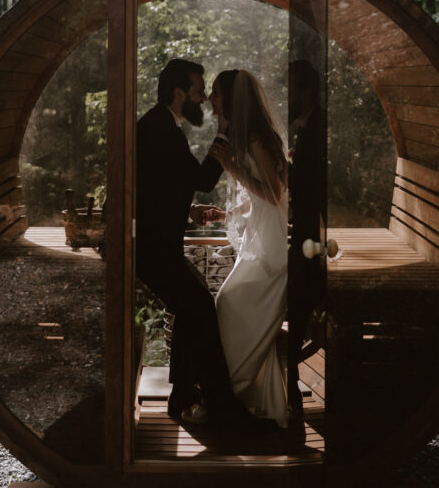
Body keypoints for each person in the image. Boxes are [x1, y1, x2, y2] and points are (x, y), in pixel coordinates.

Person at [135, 58, 264, 433]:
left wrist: (189, 211)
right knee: (201, 308)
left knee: (194, 307)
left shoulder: (161, 124)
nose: (204, 99)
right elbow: (203, 178)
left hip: (155, 243)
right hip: (149, 248)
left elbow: (157, 187)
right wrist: (223, 132)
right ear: (178, 94)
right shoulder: (160, 128)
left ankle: (183, 397)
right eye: (197, 91)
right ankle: (222, 408)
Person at [207, 69, 290, 428]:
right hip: (260, 244)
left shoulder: (257, 137)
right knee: (229, 308)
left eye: (216, 92)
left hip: (271, 251)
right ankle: (251, 398)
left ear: (231, 98)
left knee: (227, 305)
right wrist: (227, 212)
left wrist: (231, 168)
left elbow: (274, 195)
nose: (211, 99)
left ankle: (230, 393)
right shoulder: (249, 136)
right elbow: (258, 198)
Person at [287, 58, 326, 412]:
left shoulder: (318, 128)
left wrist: (283, 167)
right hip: (305, 228)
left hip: (315, 231)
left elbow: (308, 184)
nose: (286, 95)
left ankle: (287, 376)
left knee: (300, 296)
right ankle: (288, 376)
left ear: (306, 92)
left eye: (291, 88)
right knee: (298, 296)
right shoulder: (306, 125)